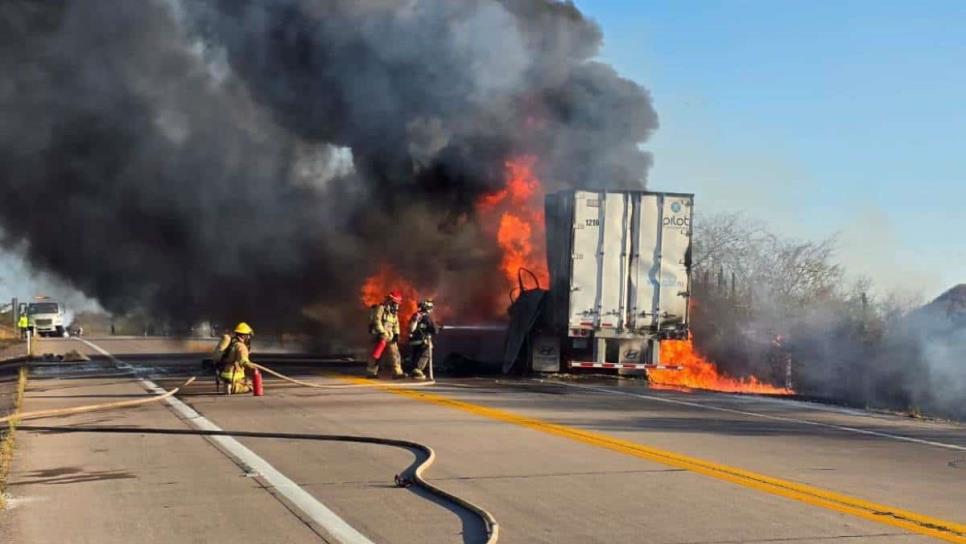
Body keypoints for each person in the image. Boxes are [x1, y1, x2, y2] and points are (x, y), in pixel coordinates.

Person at [367, 291, 403, 379]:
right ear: (390, 301)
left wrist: (396, 333)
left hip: (390, 335)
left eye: (397, 304)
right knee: (376, 354)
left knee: (395, 354)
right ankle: (372, 372)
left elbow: (396, 323)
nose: (396, 305)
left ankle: (397, 373)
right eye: (395, 303)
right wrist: (382, 332)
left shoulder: (393, 312)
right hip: (380, 335)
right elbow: (377, 320)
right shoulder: (381, 308)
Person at [219, 322, 256, 394]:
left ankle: (229, 385)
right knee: (251, 386)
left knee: (244, 380)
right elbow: (243, 360)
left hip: (225, 372)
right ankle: (234, 388)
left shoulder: (232, 343)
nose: (249, 338)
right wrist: (253, 367)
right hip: (234, 374)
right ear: (243, 336)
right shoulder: (241, 346)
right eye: (248, 335)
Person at [407, 299, 439, 380]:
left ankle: (413, 370)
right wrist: (437, 327)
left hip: (413, 341)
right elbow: (434, 330)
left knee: (416, 354)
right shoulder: (427, 318)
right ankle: (418, 370)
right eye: (431, 308)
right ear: (427, 308)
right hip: (422, 340)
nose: (431, 310)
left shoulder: (415, 315)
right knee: (427, 352)